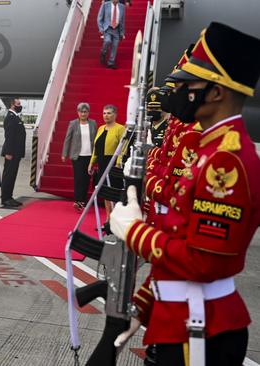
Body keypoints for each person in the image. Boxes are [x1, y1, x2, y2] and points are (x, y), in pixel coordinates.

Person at [110, 22, 260, 365]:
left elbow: (203, 261)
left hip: (201, 331)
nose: (179, 89)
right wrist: (143, 308)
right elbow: (180, 239)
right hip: (179, 318)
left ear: (217, 92)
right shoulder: (211, 149)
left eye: (190, 82)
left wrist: (135, 231)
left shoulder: (226, 161)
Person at [61, 102, 97, 212]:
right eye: (81, 111)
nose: (83, 113)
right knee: (78, 179)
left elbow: (96, 139)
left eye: (85, 111)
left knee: (86, 179)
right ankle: (77, 201)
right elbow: (68, 139)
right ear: (78, 112)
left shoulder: (93, 123)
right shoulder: (73, 124)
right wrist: (64, 154)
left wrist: (97, 155)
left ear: (88, 113)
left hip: (89, 156)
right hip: (77, 156)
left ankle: (83, 201)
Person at [0, 97, 25, 208]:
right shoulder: (11, 118)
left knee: (12, 175)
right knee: (8, 176)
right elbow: (9, 136)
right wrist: (9, 152)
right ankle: (5, 198)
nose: (20, 105)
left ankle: (9, 197)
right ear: (12, 105)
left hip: (15, 153)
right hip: (12, 153)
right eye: (18, 104)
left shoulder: (15, 117)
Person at [98, 0, 125, 69]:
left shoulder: (122, 7)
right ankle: (103, 52)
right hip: (108, 28)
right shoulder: (105, 5)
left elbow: (122, 21)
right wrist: (101, 28)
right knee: (107, 41)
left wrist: (122, 33)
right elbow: (99, 18)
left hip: (117, 29)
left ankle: (111, 63)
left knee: (115, 46)